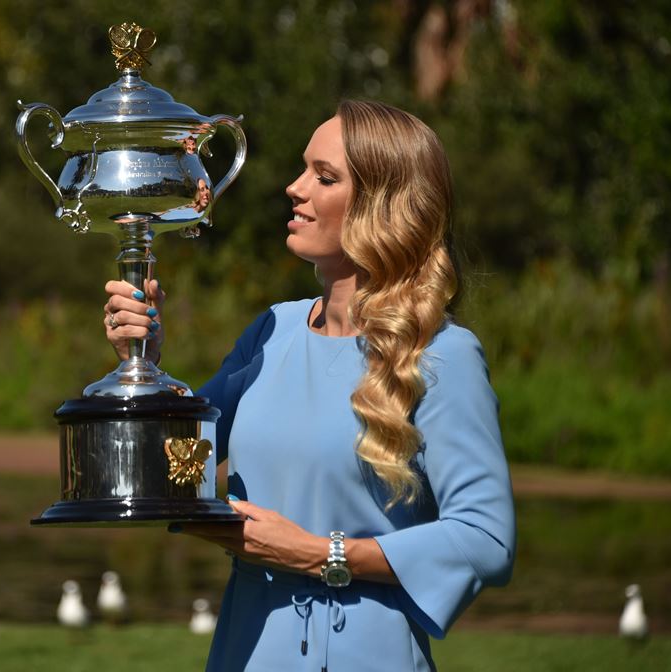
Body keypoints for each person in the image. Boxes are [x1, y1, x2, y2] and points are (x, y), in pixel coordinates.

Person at [103, 100, 515, 671]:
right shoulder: (271, 330)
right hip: (244, 651)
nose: (294, 188)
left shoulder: (443, 353)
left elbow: (486, 540)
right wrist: (143, 365)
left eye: (324, 177)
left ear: (382, 205)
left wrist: (321, 555)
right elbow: (167, 475)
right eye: (303, 170)